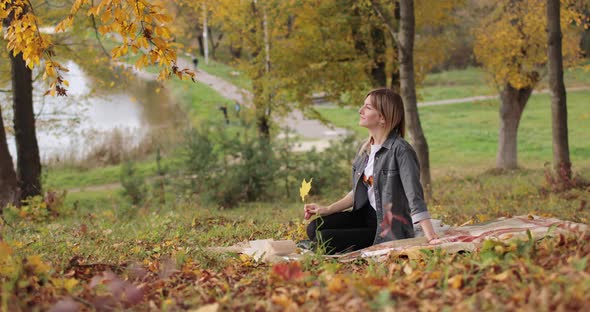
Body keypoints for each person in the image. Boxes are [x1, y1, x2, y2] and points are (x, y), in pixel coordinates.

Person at [304, 88, 440, 254]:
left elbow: (414, 195)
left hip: (385, 227)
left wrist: (431, 235)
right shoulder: (365, 149)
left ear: (382, 117)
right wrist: (327, 209)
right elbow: (359, 191)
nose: (360, 110)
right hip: (364, 216)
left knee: (323, 239)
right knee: (313, 228)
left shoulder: (401, 151)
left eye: (367, 107)